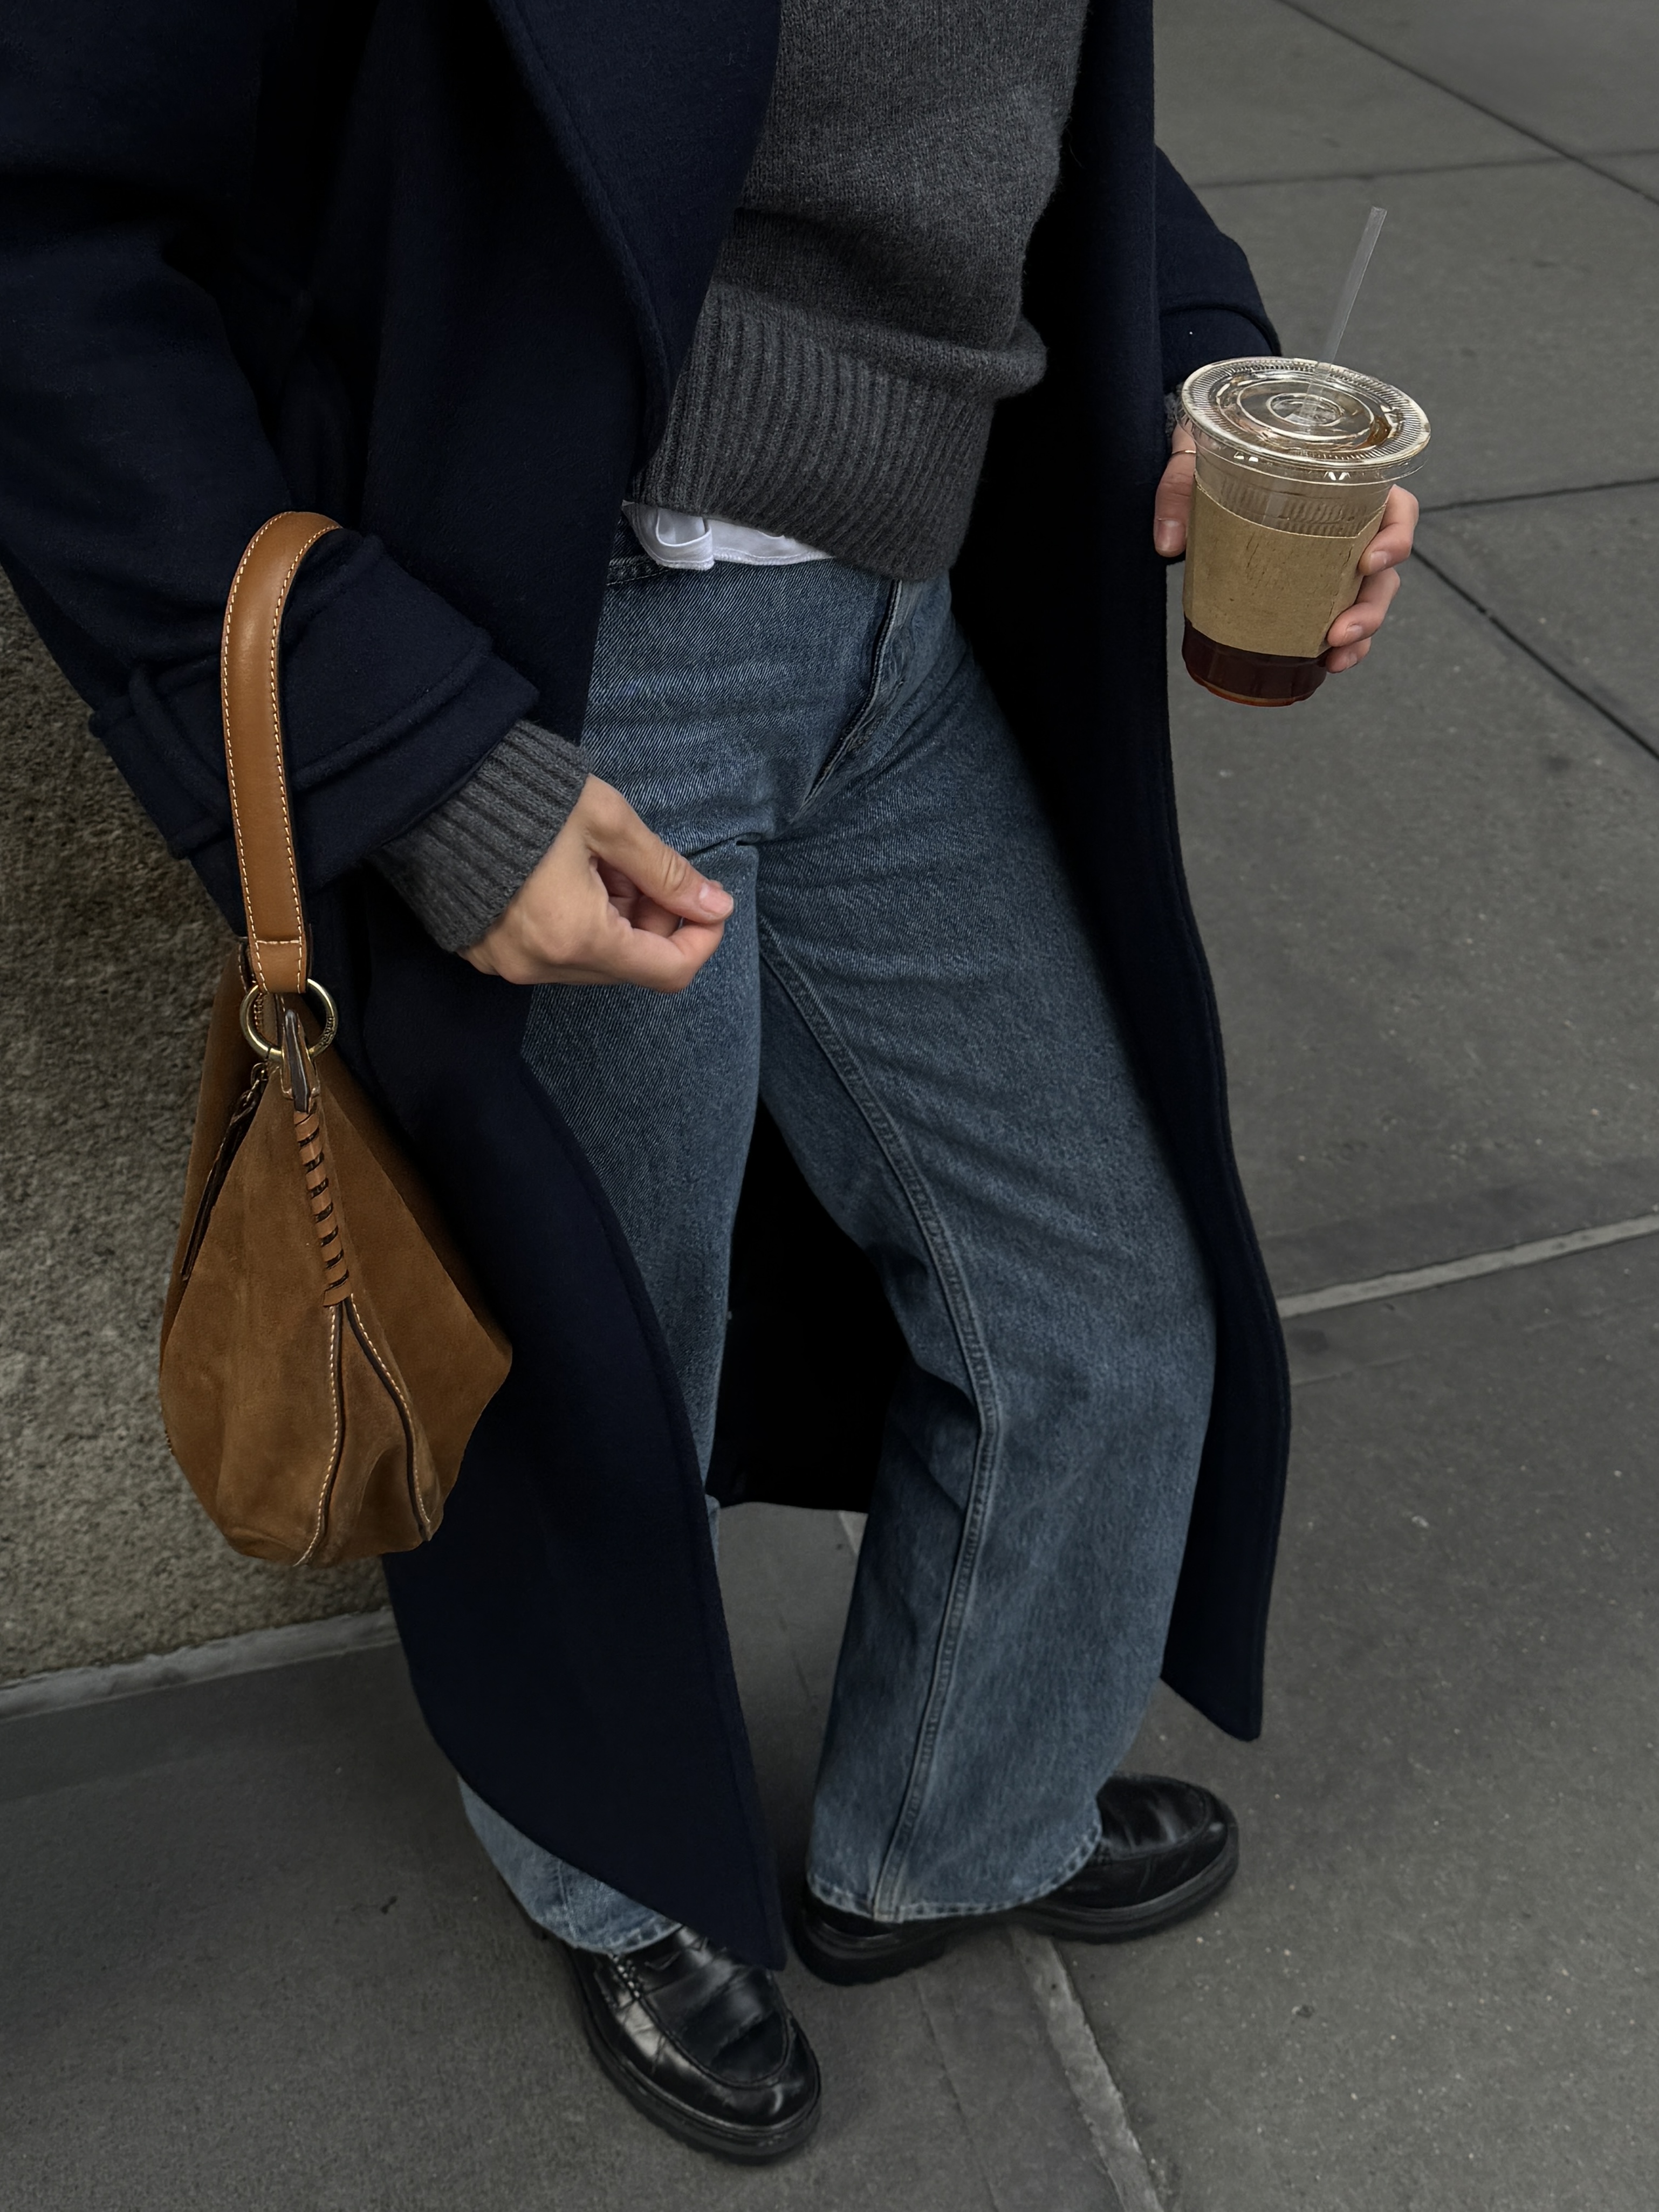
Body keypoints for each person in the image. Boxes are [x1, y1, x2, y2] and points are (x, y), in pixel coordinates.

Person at [0, 0, 1416, 2165]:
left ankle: (953, 1823)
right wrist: (407, 753)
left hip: (910, 637)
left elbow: (1013, 116)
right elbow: (48, 225)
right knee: (593, 1376)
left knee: (1103, 1313)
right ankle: (619, 1877)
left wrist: (1198, 369)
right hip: (566, 662)